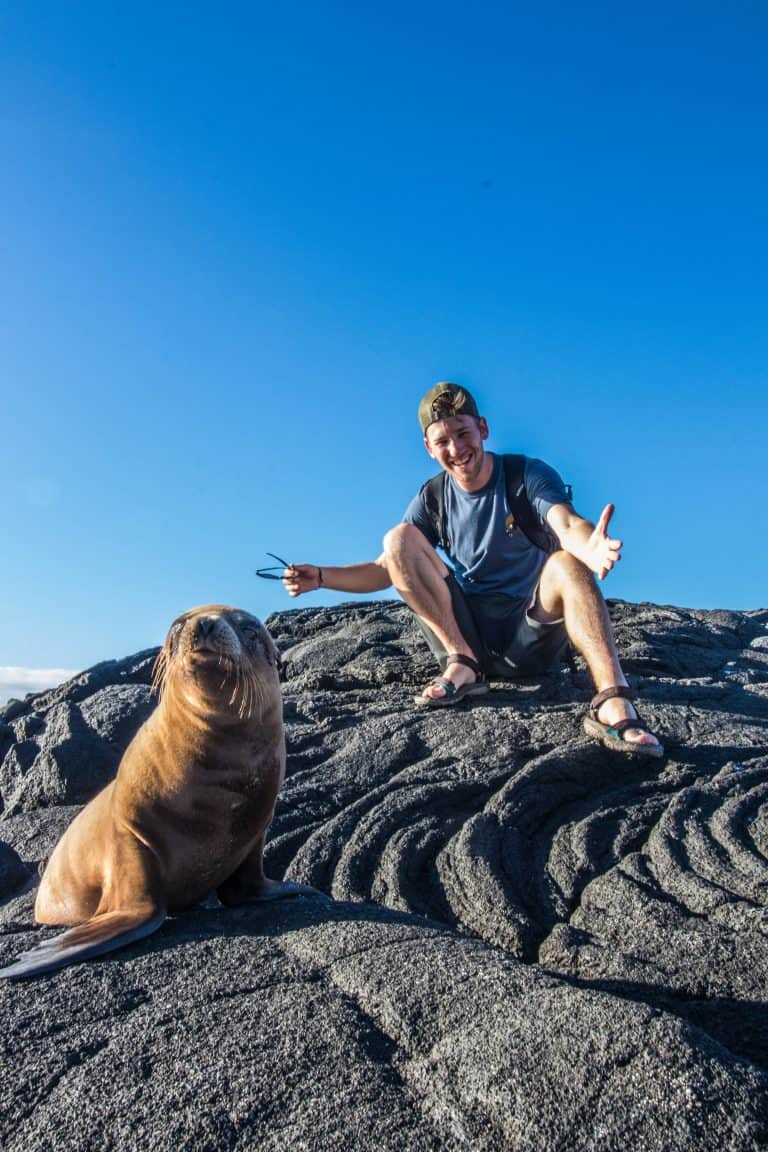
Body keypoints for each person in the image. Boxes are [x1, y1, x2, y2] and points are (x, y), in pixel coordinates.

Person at [282, 382, 662, 757]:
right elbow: (389, 568)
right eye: (443, 441)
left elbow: (564, 523)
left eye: (463, 434)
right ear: (429, 448)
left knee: (566, 562)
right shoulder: (432, 497)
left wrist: (586, 545)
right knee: (399, 539)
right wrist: (321, 577)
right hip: (467, 634)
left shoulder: (523, 475)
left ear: (482, 429)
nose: (456, 449)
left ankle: (613, 700)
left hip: (528, 632)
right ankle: (462, 665)